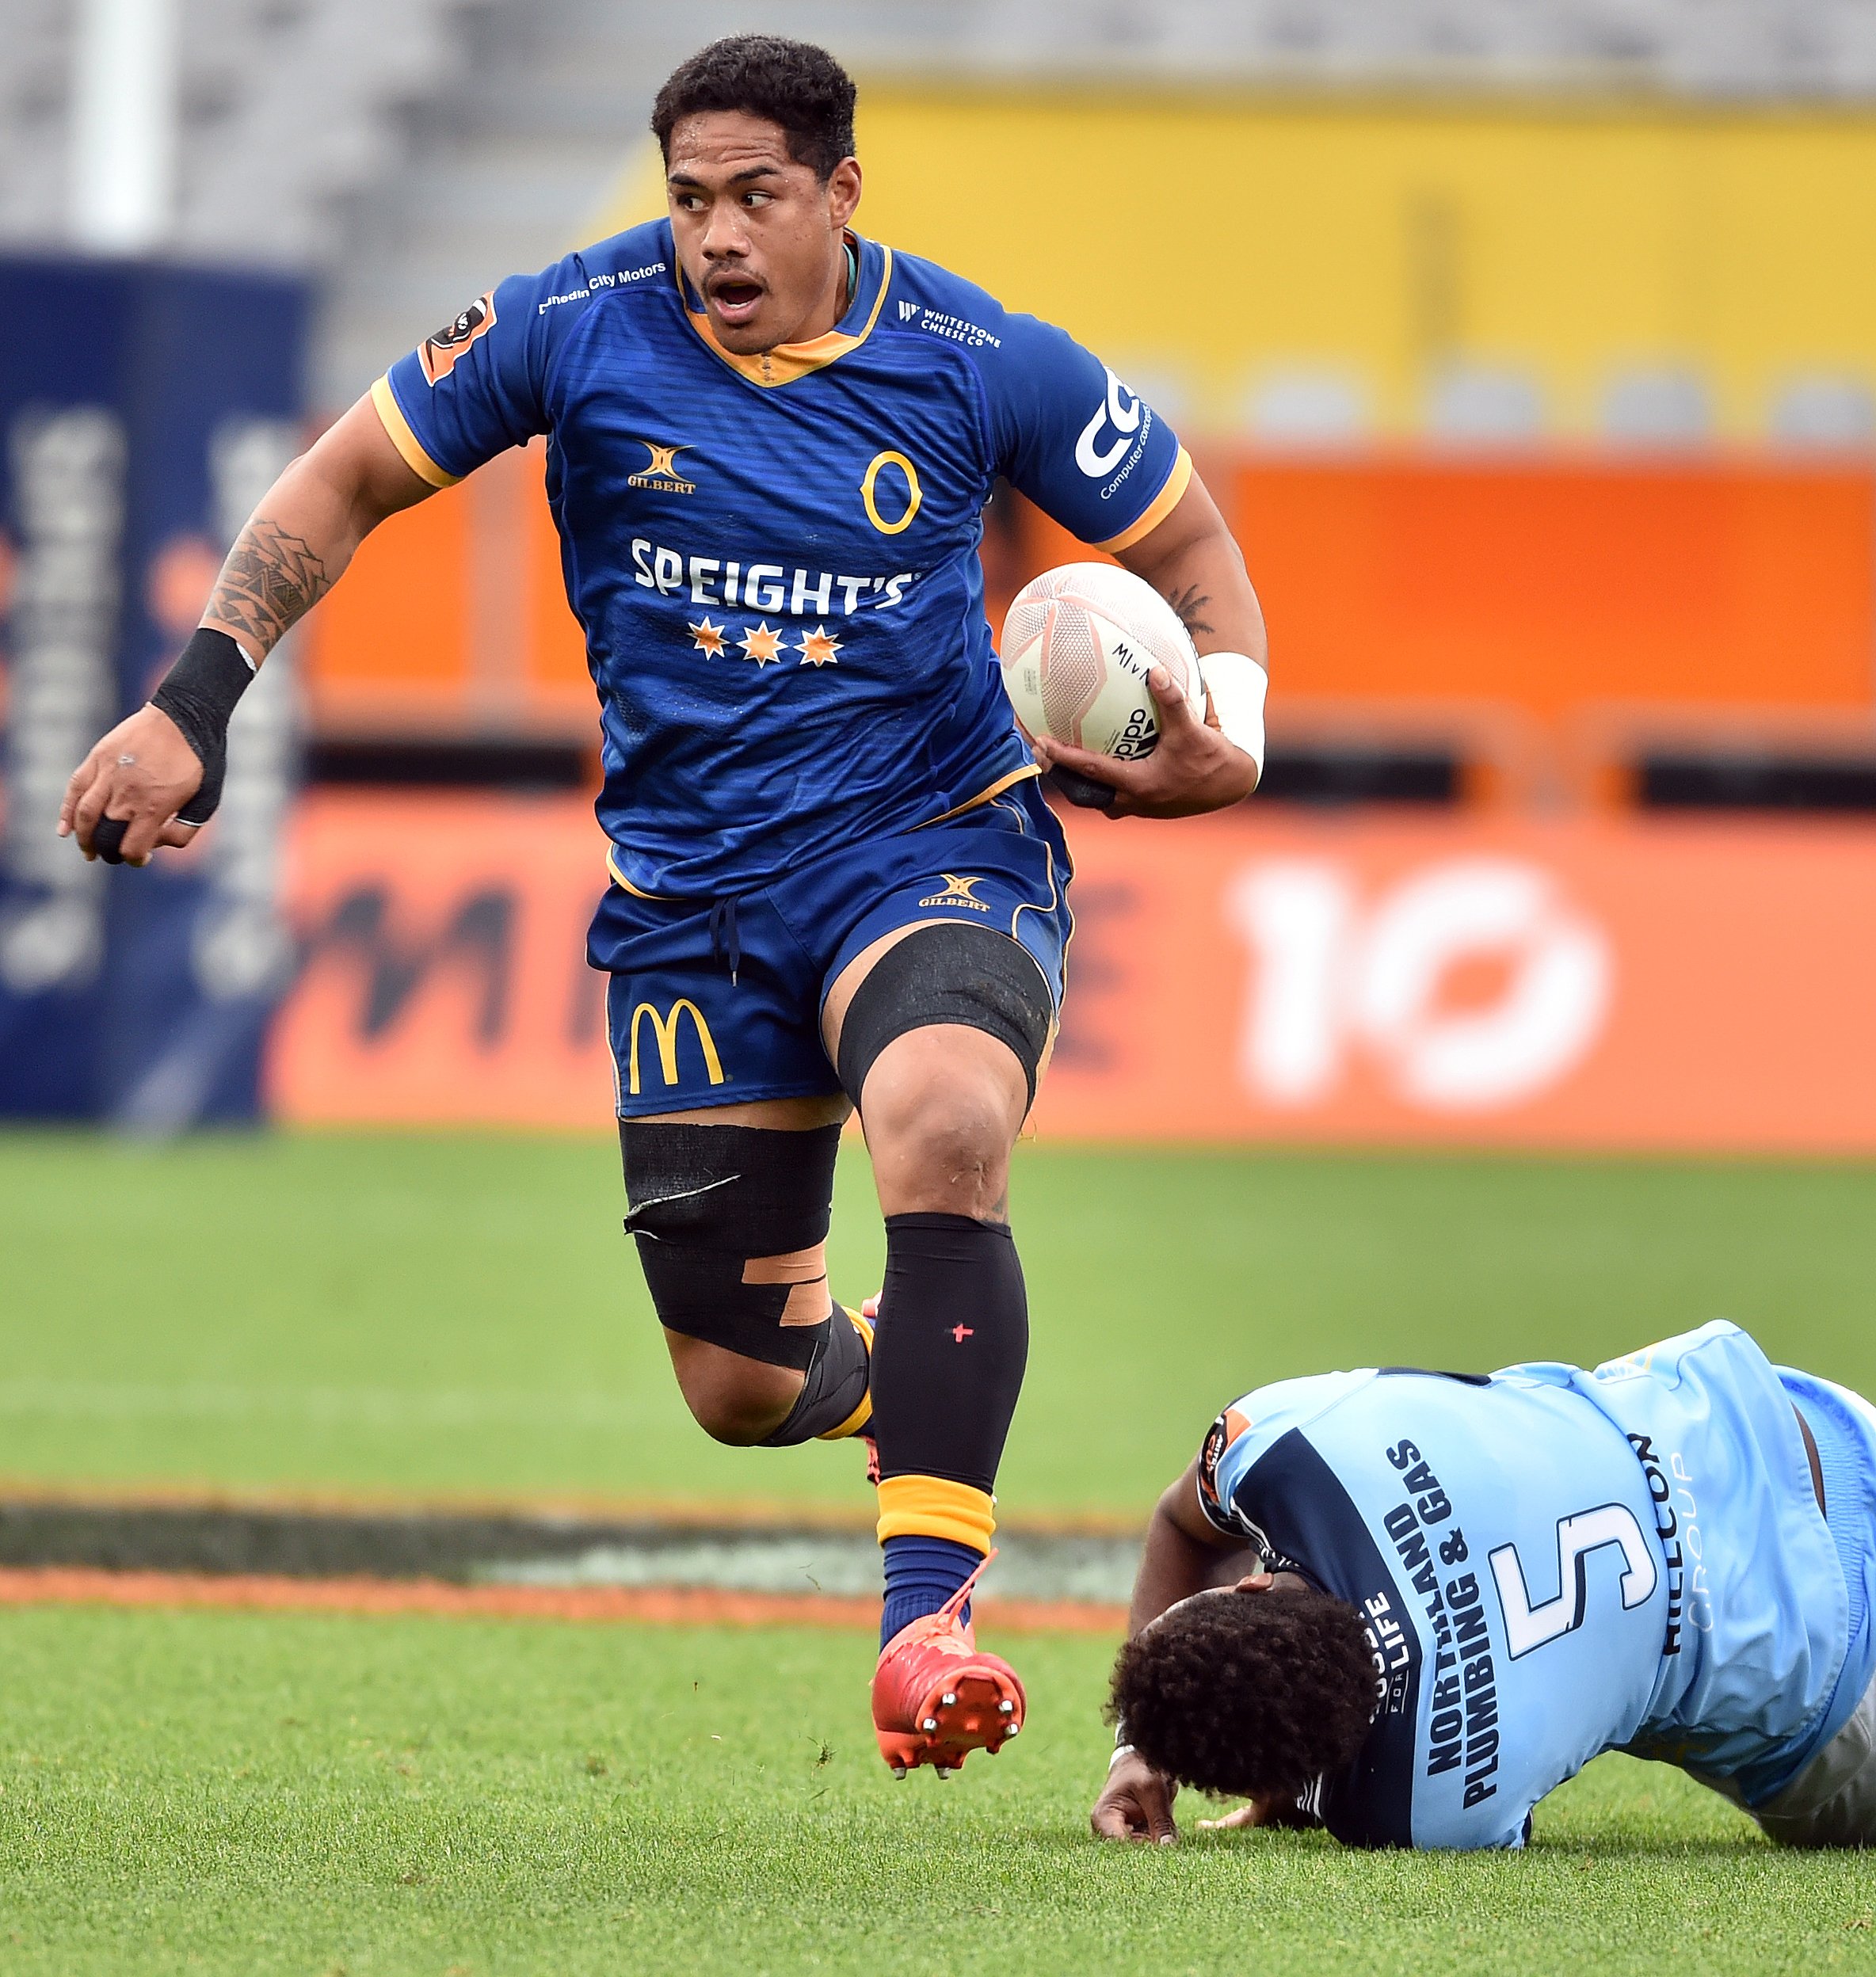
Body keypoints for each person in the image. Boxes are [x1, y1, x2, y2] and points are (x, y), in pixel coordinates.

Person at [57, 36, 1269, 1778]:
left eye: (755, 197)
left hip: (934, 841)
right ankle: (894, 1384)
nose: (714, 235)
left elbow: (1197, 559)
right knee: (738, 1385)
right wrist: (192, 699)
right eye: (689, 197)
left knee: (942, 1119)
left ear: (841, 193)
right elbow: (342, 483)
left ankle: (924, 1627)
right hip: (695, 901)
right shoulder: (566, 323)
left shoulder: (978, 359)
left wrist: (1228, 733)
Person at [1091, 1320, 1876, 1848]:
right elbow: (1180, 1524)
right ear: (1251, 1590)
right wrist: (1134, 1742)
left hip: (1828, 1679)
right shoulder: (1284, 1440)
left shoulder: (1415, 1808)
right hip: (1789, 1425)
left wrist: (1240, 1767)